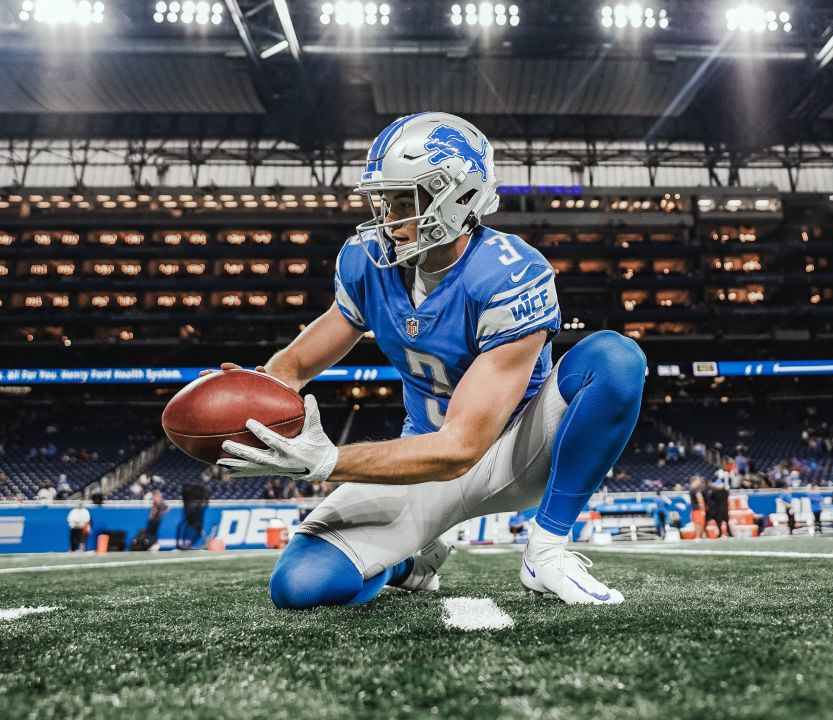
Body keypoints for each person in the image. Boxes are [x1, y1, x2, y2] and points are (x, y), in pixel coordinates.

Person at [213, 112, 647, 607]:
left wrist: (330, 460)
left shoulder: (510, 273)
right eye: (384, 201)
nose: (388, 219)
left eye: (405, 201)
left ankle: (546, 551)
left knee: (614, 358)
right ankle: (412, 561)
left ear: (459, 195)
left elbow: (463, 446)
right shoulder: (365, 262)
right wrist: (240, 398)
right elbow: (290, 369)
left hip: (515, 450)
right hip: (420, 458)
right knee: (301, 587)